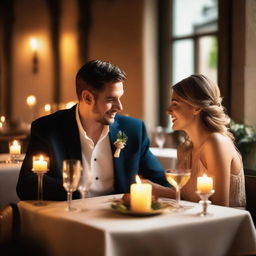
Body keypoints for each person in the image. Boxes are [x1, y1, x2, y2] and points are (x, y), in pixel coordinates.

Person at [16, 60, 169, 201]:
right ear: (87, 97)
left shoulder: (133, 129)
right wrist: (74, 189)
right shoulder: (47, 128)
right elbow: (26, 186)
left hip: (120, 219)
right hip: (70, 218)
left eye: (119, 97)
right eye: (110, 99)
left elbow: (160, 181)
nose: (120, 107)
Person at [167, 74, 246, 208]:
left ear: (197, 107)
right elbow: (185, 198)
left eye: (175, 103)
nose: (168, 110)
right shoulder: (184, 149)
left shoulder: (216, 143)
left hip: (224, 227)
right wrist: (153, 188)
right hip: (197, 222)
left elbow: (220, 209)